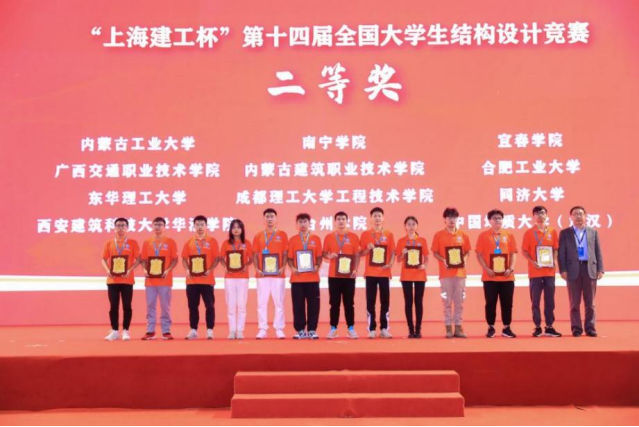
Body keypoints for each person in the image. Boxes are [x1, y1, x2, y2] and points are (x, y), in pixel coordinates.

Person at [558, 206, 604, 337]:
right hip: (572, 270)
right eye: (575, 214)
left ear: (585, 216)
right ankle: (576, 328)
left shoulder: (592, 232)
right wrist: (563, 270)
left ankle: (590, 328)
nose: (578, 216)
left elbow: (598, 251)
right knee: (574, 302)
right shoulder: (565, 233)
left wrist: (600, 268)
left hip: (589, 269)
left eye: (580, 214)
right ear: (571, 217)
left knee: (590, 303)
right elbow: (561, 253)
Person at [475, 209, 518, 338]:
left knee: (507, 303)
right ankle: (491, 327)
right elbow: (479, 254)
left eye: (499, 218)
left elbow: (513, 253)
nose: (497, 220)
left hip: (507, 276)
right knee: (490, 303)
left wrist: (511, 268)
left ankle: (506, 328)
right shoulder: (483, 235)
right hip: (490, 276)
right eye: (494, 218)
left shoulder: (509, 234)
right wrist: (486, 268)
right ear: (489, 220)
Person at [521, 206, 562, 337]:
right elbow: (524, 251)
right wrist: (532, 261)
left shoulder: (552, 231)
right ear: (533, 216)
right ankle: (537, 326)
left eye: (542, 213)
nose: (540, 216)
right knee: (535, 301)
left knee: (550, 300)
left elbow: (555, 248)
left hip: (549, 272)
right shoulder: (529, 233)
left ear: (546, 215)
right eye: (537, 214)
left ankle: (549, 326)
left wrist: (554, 260)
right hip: (535, 272)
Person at [431, 208, 471, 339]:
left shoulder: (463, 235)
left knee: (459, 302)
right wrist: (444, 260)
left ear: (457, 219)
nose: (452, 220)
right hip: (445, 274)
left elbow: (467, 252)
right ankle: (448, 327)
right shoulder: (438, 235)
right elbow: (435, 252)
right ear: (445, 219)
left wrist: (464, 260)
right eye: (449, 217)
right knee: (446, 302)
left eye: (454, 217)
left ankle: (458, 327)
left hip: (460, 274)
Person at [101, 217, 141, 341]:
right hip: (112, 280)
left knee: (127, 306)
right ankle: (114, 331)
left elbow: (138, 260)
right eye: (118, 225)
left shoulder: (133, 243)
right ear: (114, 228)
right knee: (113, 306)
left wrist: (129, 270)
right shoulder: (109, 243)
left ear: (127, 228)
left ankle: (126, 331)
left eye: (123, 225)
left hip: (127, 280)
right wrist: (108, 270)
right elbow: (103, 259)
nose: (120, 228)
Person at [323, 211, 360, 339]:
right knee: (334, 303)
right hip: (334, 276)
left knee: (349, 303)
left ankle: (351, 328)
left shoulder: (353, 237)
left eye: (343, 219)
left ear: (347, 221)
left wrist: (355, 269)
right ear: (335, 221)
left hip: (349, 276)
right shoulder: (329, 237)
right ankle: (333, 328)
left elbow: (357, 255)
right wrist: (329, 255)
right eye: (338, 219)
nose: (341, 221)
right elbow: (324, 253)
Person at [252, 208, 288, 339]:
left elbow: (285, 253)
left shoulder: (282, 235)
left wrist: (283, 267)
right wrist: (257, 269)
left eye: (272, 216)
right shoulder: (258, 236)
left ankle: (279, 328)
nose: (269, 219)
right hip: (263, 275)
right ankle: (262, 328)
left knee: (279, 302)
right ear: (264, 219)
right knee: (262, 303)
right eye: (267, 216)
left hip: (278, 275)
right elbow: (255, 254)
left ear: (276, 219)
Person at [360, 207, 396, 339]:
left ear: (383, 218)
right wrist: (367, 249)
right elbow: (361, 253)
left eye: (379, 216)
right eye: (375, 216)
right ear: (371, 219)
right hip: (370, 273)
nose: (377, 218)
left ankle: (384, 328)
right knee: (370, 301)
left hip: (384, 273)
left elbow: (393, 252)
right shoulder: (365, 234)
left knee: (385, 301)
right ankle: (371, 329)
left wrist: (390, 264)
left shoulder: (389, 234)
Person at [181, 215, 219, 340]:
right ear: (194, 226)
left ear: (206, 226)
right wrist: (187, 270)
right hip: (192, 281)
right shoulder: (189, 242)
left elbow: (217, 259)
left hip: (207, 280)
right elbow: (184, 259)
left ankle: (210, 330)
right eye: (197, 224)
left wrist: (210, 270)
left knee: (210, 306)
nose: (200, 227)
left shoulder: (212, 241)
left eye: (202, 224)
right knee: (192, 306)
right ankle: (193, 330)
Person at [140, 217, 178, 340]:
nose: (157, 227)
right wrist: (145, 270)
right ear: (152, 226)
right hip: (150, 281)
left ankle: (166, 330)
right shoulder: (147, 242)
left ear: (164, 227)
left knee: (165, 306)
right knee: (150, 306)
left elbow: (175, 259)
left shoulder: (170, 242)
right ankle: (150, 331)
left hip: (165, 280)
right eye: (155, 224)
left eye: (160, 224)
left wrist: (167, 270)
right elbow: (143, 260)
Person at [287, 213, 323, 340]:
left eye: (305, 221)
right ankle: (300, 330)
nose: (303, 224)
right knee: (298, 305)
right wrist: (293, 268)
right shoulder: (293, 240)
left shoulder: (316, 239)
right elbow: (290, 258)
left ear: (309, 223)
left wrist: (317, 266)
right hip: (297, 279)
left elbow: (319, 256)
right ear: (297, 224)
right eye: (300, 222)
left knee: (314, 305)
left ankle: (312, 330)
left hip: (312, 278)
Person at [396, 216, 429, 338]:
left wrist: (424, 265)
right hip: (406, 276)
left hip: (420, 275)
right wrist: (402, 253)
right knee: (408, 302)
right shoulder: (401, 241)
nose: (411, 226)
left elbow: (426, 257)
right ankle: (410, 329)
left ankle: (418, 329)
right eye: (409, 224)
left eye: (413, 224)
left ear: (417, 226)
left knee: (418, 302)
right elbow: (398, 260)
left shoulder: (422, 240)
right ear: (405, 226)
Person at [220, 219, 253, 339]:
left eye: (238, 227)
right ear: (230, 230)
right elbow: (221, 258)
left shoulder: (247, 243)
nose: (236, 230)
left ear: (242, 229)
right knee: (231, 305)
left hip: (243, 277)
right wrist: (225, 267)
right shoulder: (226, 243)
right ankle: (232, 330)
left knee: (242, 305)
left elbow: (251, 259)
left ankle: (240, 330)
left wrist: (246, 266)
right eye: (233, 227)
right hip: (229, 277)